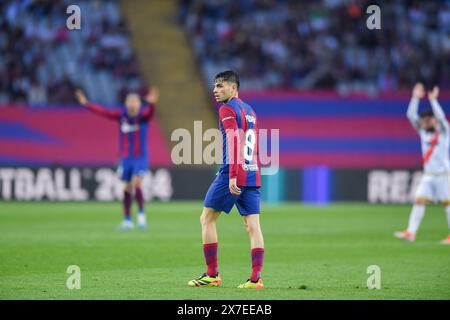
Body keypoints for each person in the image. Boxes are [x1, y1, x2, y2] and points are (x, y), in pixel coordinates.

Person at [188, 71, 265, 289]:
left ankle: (212, 275)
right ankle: (255, 279)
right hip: (252, 171)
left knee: (207, 219)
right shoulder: (249, 110)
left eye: (220, 86)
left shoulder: (227, 109)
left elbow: (233, 141)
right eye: (214, 86)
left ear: (233, 88)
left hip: (233, 172)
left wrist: (232, 175)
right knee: (253, 226)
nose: (215, 90)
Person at [75, 87, 159, 230]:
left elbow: (151, 112)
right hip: (126, 158)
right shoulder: (122, 117)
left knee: (136, 183)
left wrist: (152, 104)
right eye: (130, 101)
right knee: (126, 188)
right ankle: (127, 220)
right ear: (126, 103)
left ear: (139, 104)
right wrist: (86, 104)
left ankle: (141, 217)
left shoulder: (143, 117)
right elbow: (103, 112)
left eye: (135, 101)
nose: (132, 104)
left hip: (140, 157)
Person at [394, 83, 450, 244]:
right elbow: (411, 115)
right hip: (429, 175)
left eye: (426, 121)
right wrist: (415, 97)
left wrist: (433, 101)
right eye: (423, 121)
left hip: (443, 175)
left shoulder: (444, 131)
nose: (423, 123)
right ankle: (411, 233)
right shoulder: (423, 132)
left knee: (447, 205)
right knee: (419, 200)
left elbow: (441, 118)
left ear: (432, 120)